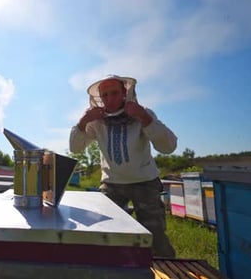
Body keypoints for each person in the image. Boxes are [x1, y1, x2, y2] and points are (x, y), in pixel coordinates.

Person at [69, 74, 177, 258]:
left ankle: (165, 269)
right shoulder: (96, 121)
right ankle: (114, 269)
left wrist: (144, 117)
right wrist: (83, 121)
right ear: (99, 98)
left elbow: (168, 146)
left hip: (145, 182)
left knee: (155, 235)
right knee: (103, 230)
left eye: (114, 93)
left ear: (125, 93)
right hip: (112, 185)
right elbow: (75, 148)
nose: (110, 99)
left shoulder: (143, 114)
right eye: (105, 95)